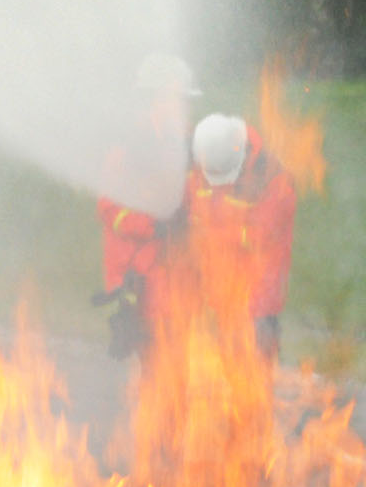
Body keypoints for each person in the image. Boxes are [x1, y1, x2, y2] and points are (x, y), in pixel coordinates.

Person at [97, 53, 199, 357]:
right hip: (142, 277)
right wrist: (154, 225)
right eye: (177, 99)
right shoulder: (129, 148)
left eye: (185, 101)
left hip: (179, 274)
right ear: (155, 100)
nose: (183, 107)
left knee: (179, 357)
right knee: (156, 360)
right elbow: (109, 210)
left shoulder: (189, 144)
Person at [179, 113, 298, 360]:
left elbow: (259, 237)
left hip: (257, 291)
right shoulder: (209, 156)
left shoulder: (273, 179)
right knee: (216, 360)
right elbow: (191, 205)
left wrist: (205, 234)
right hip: (216, 287)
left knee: (254, 361)